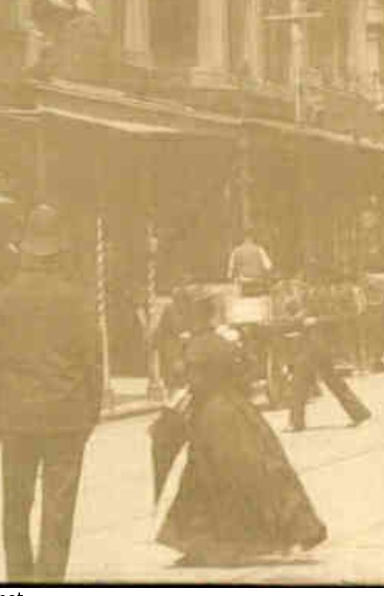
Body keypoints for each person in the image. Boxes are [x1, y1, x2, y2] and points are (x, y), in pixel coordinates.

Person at [156, 294, 327, 566]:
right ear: (211, 316)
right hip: (239, 412)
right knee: (264, 470)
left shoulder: (194, 347)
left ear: (194, 317)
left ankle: (200, 543)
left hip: (210, 417)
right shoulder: (225, 343)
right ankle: (297, 529)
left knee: (203, 480)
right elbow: (247, 373)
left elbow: (190, 382)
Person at [0, 203, 103, 583]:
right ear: (59, 251)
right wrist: (90, 414)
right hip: (66, 417)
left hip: (17, 418)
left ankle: (18, 583)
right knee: (58, 511)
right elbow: (92, 364)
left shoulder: (4, 299)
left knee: (15, 508)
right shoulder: (76, 299)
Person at [284, 304, 372, 432]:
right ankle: (360, 413)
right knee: (332, 382)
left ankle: (296, 423)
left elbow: (341, 316)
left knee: (300, 384)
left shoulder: (323, 296)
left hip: (316, 347)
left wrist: (317, 321)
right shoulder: (308, 295)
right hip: (312, 346)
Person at [226, 233, 273, 297]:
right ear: (253, 239)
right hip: (257, 278)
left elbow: (230, 268)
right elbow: (268, 267)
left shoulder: (236, 250)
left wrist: (230, 279)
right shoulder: (259, 249)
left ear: (242, 240)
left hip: (242, 278)